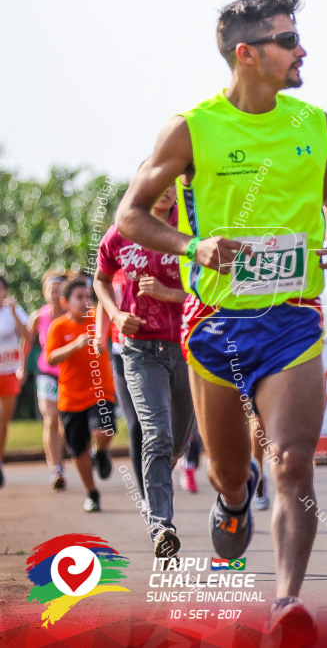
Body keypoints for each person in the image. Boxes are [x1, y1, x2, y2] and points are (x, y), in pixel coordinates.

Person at [115, 0, 327, 641]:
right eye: (286, 40)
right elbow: (129, 216)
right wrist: (195, 245)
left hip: (293, 318)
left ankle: (286, 601)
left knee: (294, 460)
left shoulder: (314, 121)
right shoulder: (192, 127)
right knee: (227, 469)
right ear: (246, 54)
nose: (302, 50)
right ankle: (230, 498)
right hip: (215, 322)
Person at [96, 182, 195, 558]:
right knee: (155, 433)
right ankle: (161, 528)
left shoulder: (190, 230)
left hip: (185, 347)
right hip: (139, 351)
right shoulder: (122, 230)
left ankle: (160, 485)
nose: (167, 192)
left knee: (178, 442)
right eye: (159, 185)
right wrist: (117, 314)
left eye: (172, 186)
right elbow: (101, 279)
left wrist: (169, 294)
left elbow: (214, 288)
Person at [46, 277, 117, 511]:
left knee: (104, 430)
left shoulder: (99, 317)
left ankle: (102, 451)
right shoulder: (58, 326)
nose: (86, 301)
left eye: (88, 296)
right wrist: (75, 345)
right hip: (71, 398)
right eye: (80, 298)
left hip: (101, 391)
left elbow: (115, 330)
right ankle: (92, 493)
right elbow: (50, 358)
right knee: (77, 449)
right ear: (65, 302)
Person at [96, 269, 147, 513]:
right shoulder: (113, 259)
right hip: (121, 353)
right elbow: (103, 297)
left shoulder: (156, 251)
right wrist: (99, 334)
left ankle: (161, 475)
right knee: (136, 424)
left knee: (163, 428)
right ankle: (147, 497)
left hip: (157, 351)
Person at [27, 271, 67, 490]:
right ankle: (56, 469)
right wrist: (22, 368)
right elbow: (27, 343)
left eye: (58, 289)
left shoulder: (73, 314)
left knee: (66, 424)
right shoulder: (38, 317)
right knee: (50, 419)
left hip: (69, 375)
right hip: (46, 372)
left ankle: (69, 454)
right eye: (51, 289)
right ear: (44, 292)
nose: (54, 293)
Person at [0, 275, 30, 489]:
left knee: (3, 421)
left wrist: (13, 314)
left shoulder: (14, 311)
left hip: (10, 371)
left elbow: (28, 336)